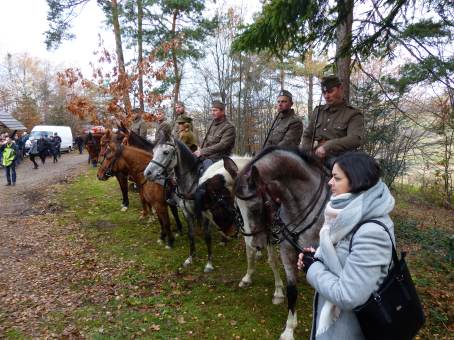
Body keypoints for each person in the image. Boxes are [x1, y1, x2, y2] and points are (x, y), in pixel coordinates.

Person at [297, 152, 395, 340]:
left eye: (336, 178)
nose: (329, 183)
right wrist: (316, 256)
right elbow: (342, 258)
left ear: (357, 180)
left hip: (350, 329)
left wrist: (313, 267)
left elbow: (348, 295)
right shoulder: (345, 217)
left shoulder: (372, 233)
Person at [301, 75, 364, 165]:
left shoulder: (353, 114)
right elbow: (307, 135)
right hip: (315, 156)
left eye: (330, 91)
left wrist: (328, 146)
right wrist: (305, 151)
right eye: (324, 92)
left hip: (340, 158)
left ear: (341, 89)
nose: (326, 96)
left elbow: (355, 139)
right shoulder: (318, 111)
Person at [194, 100, 235, 169]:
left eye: (215, 110)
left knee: (206, 173)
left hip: (220, 158)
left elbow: (222, 145)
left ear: (222, 112)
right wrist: (199, 148)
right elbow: (206, 140)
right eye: (212, 110)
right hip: (207, 155)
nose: (212, 113)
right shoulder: (212, 124)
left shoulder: (229, 127)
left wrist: (202, 151)